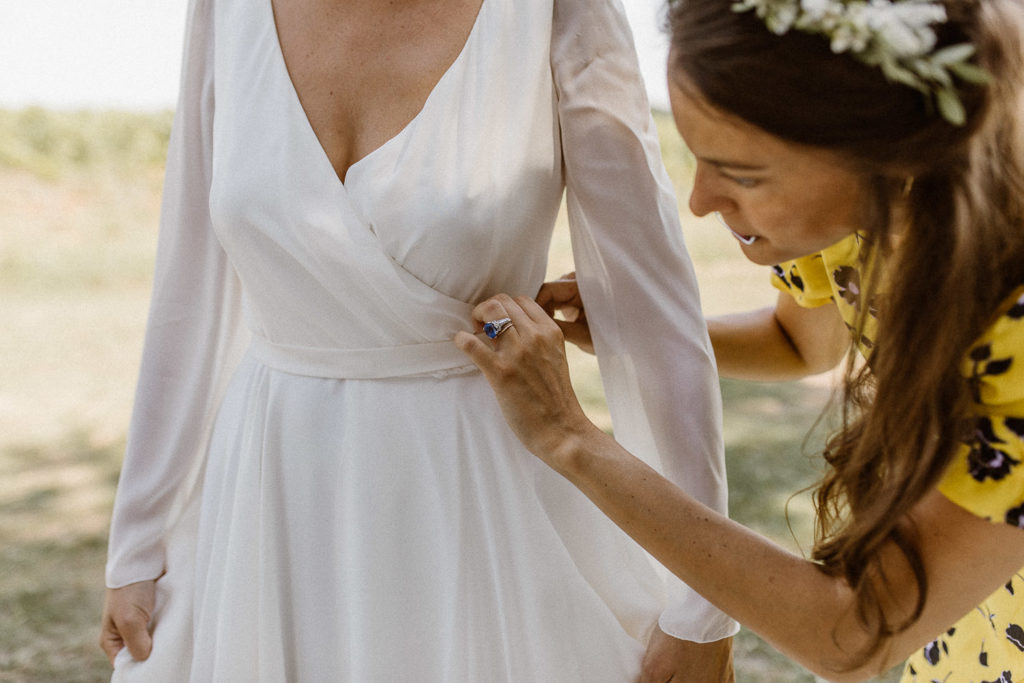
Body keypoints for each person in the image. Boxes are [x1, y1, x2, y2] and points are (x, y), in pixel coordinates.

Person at [97, 0, 740, 679]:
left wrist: (704, 601)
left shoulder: (554, 10)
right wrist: (139, 541)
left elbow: (650, 306)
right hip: (271, 488)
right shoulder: (226, 11)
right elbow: (189, 287)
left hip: (482, 488)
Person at [456, 0, 1024, 679]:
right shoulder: (861, 218)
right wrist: (622, 333)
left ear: (883, 152)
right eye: (698, 158)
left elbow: (851, 633)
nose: (700, 201)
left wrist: (567, 436)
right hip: (964, 634)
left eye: (743, 174)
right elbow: (799, 342)